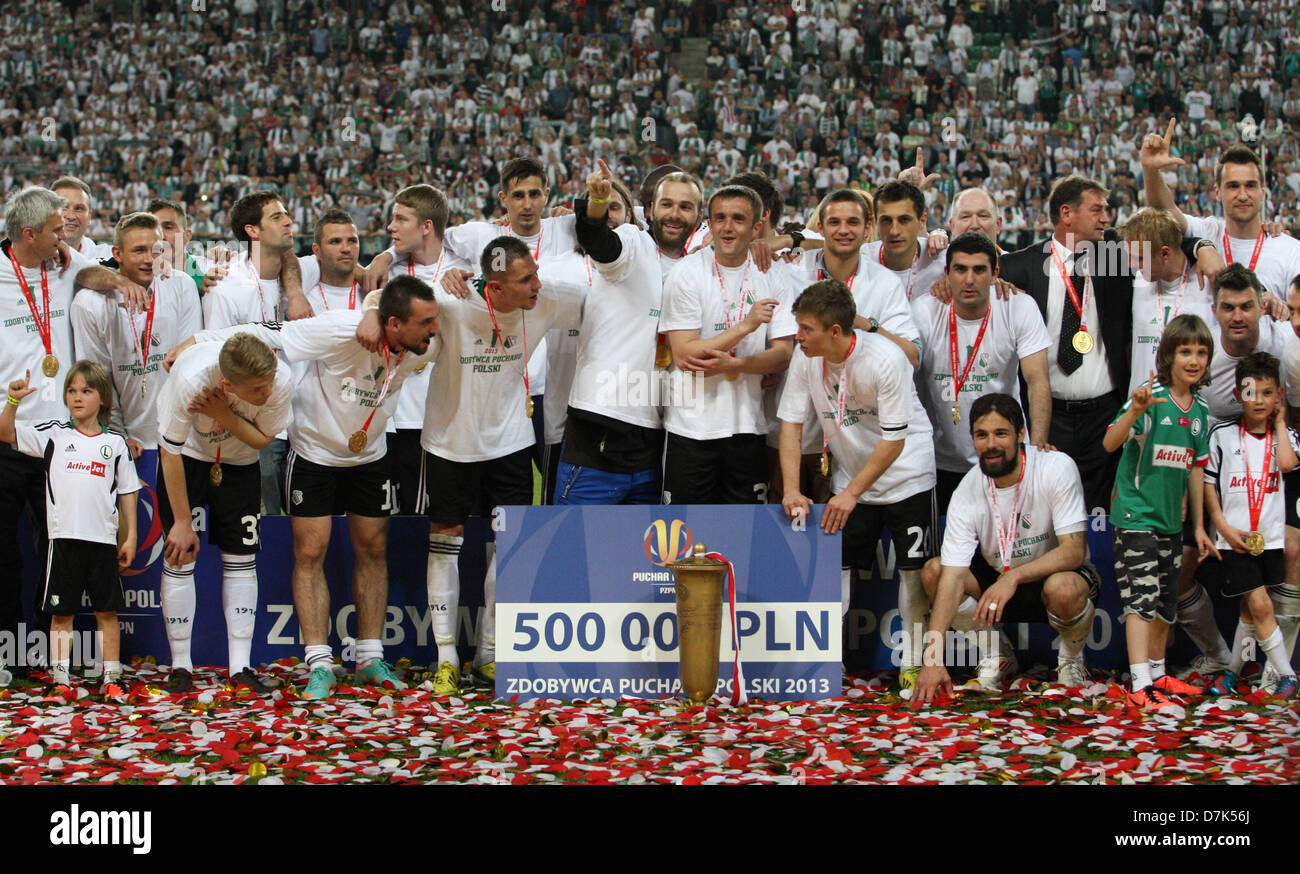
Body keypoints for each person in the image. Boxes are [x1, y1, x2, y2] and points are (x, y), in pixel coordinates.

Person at [191, 274, 441, 700]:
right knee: (309, 553)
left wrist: (374, 304)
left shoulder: (423, 343)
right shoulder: (341, 330)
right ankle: (320, 662)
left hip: (370, 455)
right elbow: (267, 334)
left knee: (374, 550)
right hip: (314, 454)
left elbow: (391, 287)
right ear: (395, 323)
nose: (434, 330)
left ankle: (369, 657)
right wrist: (197, 342)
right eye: (425, 323)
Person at [396, 236, 586, 694]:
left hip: (512, 444)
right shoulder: (452, 302)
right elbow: (386, 301)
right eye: (525, 280)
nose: (537, 285)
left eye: (536, 272)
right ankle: (446, 659)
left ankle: (489, 654)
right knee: (445, 543)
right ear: (493, 287)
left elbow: (603, 290)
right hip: (449, 443)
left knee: (511, 545)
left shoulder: (548, 297)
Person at [999, 174, 1219, 513]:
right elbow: (971, 268)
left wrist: (1202, 247)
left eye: (1107, 210)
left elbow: (1169, 244)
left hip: (1105, 411)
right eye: (1097, 210)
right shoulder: (1021, 265)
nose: (1107, 217)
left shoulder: (1114, 254)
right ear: (1067, 214)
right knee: (1045, 510)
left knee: (1103, 513)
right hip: (1047, 414)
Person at [0, 185, 149, 681]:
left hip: (62, 440)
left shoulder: (64, 262)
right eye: (54, 229)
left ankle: (50, 659)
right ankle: (7, 656)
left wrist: (108, 279)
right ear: (28, 234)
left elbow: (85, 269)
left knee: (55, 551)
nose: (65, 234)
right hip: (8, 435)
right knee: (5, 553)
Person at [778, 280, 937, 690]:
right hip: (851, 477)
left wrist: (851, 494)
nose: (798, 336)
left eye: (806, 328)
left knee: (913, 576)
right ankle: (827, 661)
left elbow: (895, 439)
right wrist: (792, 489)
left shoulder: (885, 359)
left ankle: (914, 664)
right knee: (836, 571)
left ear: (835, 331)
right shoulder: (806, 357)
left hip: (907, 475)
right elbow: (792, 426)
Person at [913, 393, 1102, 707]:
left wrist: (1013, 578)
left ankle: (1071, 660)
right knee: (935, 571)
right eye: (981, 435)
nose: (991, 444)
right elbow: (952, 577)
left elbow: (1074, 552)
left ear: (1021, 434)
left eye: (1001, 433)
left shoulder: (1056, 467)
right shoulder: (968, 489)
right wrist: (932, 659)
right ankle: (996, 655)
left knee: (1065, 588)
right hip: (997, 583)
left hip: (1050, 577)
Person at [154, 333, 294, 694]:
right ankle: (181, 667)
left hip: (241, 461)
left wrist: (221, 414)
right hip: (186, 458)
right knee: (179, 554)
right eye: (258, 389)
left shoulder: (281, 380)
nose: (268, 393)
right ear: (228, 384)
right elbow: (168, 452)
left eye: (269, 384)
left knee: (242, 557)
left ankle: (240, 667)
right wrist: (182, 523)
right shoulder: (189, 380)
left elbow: (264, 440)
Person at [0, 361, 138, 702]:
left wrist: (131, 535)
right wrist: (12, 403)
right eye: (72, 391)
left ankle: (112, 677)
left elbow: (128, 491)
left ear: (103, 398)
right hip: (63, 541)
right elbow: (6, 434)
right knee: (61, 614)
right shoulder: (54, 436)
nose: (77, 398)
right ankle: (60, 678)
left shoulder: (115, 444)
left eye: (86, 391)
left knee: (107, 612)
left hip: (103, 541)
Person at [1103, 315, 1215, 715]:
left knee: (1167, 604)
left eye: (1201, 352)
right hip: (1134, 516)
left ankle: (1157, 672)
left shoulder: (1200, 411)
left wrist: (1199, 527)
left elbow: (1197, 470)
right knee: (1142, 601)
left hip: (1171, 523)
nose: (1194, 359)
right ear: (1168, 356)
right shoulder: (1150, 399)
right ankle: (1139, 684)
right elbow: (1109, 442)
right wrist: (1133, 412)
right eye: (1186, 351)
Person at [659, 184, 795, 504]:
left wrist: (736, 365)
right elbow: (685, 355)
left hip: (747, 427)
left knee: (746, 537)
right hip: (691, 429)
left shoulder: (773, 273)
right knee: (685, 540)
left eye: (737, 219)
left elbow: (783, 354)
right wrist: (746, 326)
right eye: (719, 218)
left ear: (757, 227)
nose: (727, 227)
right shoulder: (687, 273)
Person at [911, 231, 1051, 516]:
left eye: (979, 270)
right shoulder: (923, 311)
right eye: (960, 270)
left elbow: (1037, 381)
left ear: (995, 272)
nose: (969, 279)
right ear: (947, 272)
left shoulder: (1019, 307)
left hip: (1003, 456)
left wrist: (1035, 453)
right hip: (939, 461)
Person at [555, 159, 661, 504]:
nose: (610, 214)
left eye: (615, 206)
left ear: (632, 214)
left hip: (651, 422)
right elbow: (600, 240)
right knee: (574, 545)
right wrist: (596, 206)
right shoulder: (626, 241)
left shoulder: (654, 253)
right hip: (599, 420)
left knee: (634, 555)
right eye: (603, 205)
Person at [202, 190, 308, 516]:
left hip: (305, 423)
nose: (289, 220)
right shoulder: (225, 286)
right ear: (252, 231)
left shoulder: (302, 273)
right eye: (276, 217)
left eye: (286, 214)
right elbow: (219, 359)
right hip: (259, 425)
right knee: (271, 523)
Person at [72, 212, 203, 469]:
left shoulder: (181, 286)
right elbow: (99, 380)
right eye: (138, 251)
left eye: (155, 250)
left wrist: (182, 430)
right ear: (117, 254)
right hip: (128, 442)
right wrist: (118, 436)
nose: (148, 259)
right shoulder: (89, 304)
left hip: (180, 439)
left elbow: (188, 363)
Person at [1204, 352, 1300, 699]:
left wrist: (1279, 423)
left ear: (1278, 396)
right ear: (1237, 392)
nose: (1257, 400)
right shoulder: (1222, 435)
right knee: (1261, 606)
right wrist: (1222, 527)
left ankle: (1231, 673)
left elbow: (1288, 465)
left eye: (1266, 393)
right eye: (1250, 392)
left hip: (1270, 540)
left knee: (1248, 610)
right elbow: (1208, 487)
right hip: (1235, 540)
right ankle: (1288, 676)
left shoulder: (1285, 436)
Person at [51, 176, 113, 262]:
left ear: (89, 217)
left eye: (79, 208)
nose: (71, 216)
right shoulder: (29, 259)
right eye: (63, 207)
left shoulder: (109, 257)